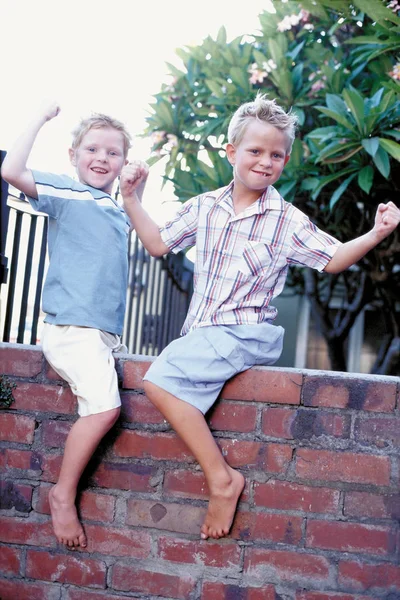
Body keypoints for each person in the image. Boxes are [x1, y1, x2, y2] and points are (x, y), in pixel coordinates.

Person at [120, 92, 400, 542]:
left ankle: (222, 479)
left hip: (248, 331)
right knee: (172, 378)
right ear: (231, 152)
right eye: (255, 151)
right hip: (206, 332)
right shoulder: (204, 207)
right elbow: (157, 243)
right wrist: (131, 198)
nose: (266, 161)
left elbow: (331, 259)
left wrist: (375, 232)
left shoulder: (285, 220)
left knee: (158, 379)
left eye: (277, 155)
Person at [1, 103, 148, 549]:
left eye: (113, 152)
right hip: (72, 328)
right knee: (104, 410)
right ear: (73, 154)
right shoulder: (66, 192)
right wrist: (39, 119)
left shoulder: (115, 207)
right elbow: (11, 170)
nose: (102, 158)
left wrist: (135, 193)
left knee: (103, 407)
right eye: (92, 149)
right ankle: (62, 494)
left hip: (98, 334)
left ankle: (64, 492)